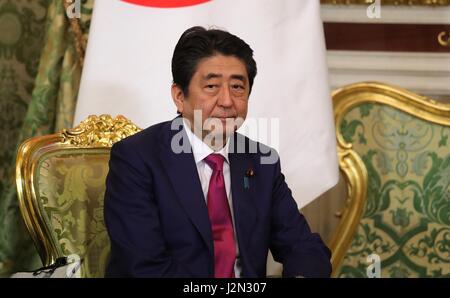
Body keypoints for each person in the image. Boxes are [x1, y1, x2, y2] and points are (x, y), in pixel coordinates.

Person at [104, 26, 331, 278]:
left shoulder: (261, 161)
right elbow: (143, 267)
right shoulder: (137, 158)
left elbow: (303, 246)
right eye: (211, 86)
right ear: (179, 96)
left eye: (237, 87)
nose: (226, 101)